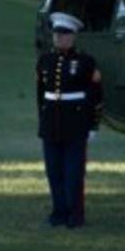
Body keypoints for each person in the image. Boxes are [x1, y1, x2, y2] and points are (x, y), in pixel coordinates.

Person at [36, 12, 103, 229]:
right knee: (54, 172)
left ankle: (75, 215)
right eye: (56, 33)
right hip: (51, 123)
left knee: (73, 173)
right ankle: (58, 213)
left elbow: (95, 95)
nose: (59, 38)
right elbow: (41, 95)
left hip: (76, 123)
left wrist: (93, 124)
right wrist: (42, 120)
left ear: (73, 36)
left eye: (64, 34)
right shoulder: (44, 61)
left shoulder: (85, 62)